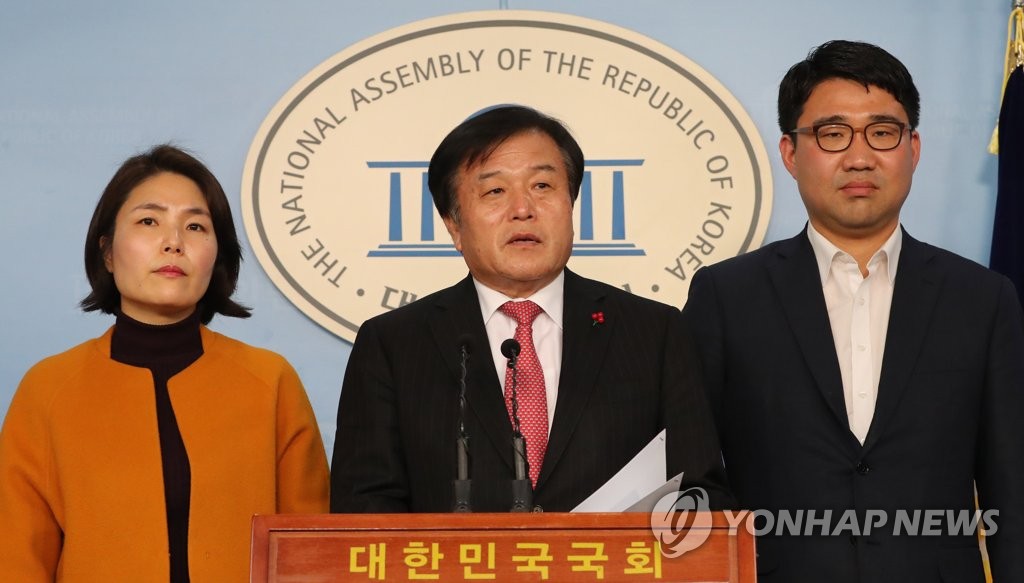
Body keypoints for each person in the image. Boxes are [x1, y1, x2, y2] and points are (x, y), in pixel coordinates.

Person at [681, 40, 1024, 582]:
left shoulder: (982, 299)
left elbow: (1012, 486)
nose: (859, 157)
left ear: (913, 148)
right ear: (790, 152)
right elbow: (692, 479)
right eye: (833, 134)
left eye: (882, 133)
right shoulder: (726, 297)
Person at [331, 105, 729, 513]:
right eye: (495, 191)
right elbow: (363, 513)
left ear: (571, 204)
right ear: (454, 224)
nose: (523, 209)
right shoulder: (393, 345)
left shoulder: (653, 333)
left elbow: (702, 496)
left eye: (542, 186)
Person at [0, 145, 330, 582]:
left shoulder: (270, 382)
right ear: (107, 252)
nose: (174, 242)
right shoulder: (48, 389)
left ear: (217, 255)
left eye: (195, 226)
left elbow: (312, 557)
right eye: (149, 221)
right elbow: (16, 561)